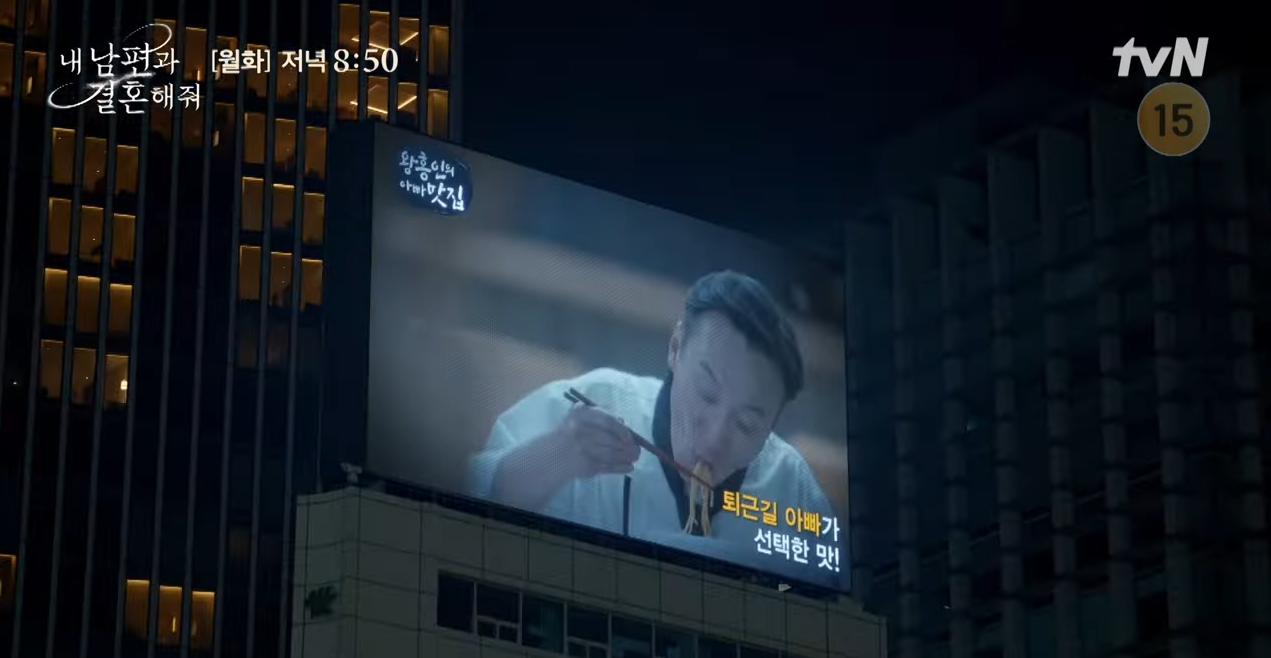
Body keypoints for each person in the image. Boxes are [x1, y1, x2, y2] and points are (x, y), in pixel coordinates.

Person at [466, 270, 841, 584]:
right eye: (706, 392)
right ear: (676, 348)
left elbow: (833, 607)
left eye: (746, 424)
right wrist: (556, 455)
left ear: (776, 423)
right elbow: (466, 500)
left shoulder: (790, 484)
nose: (714, 440)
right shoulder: (593, 399)